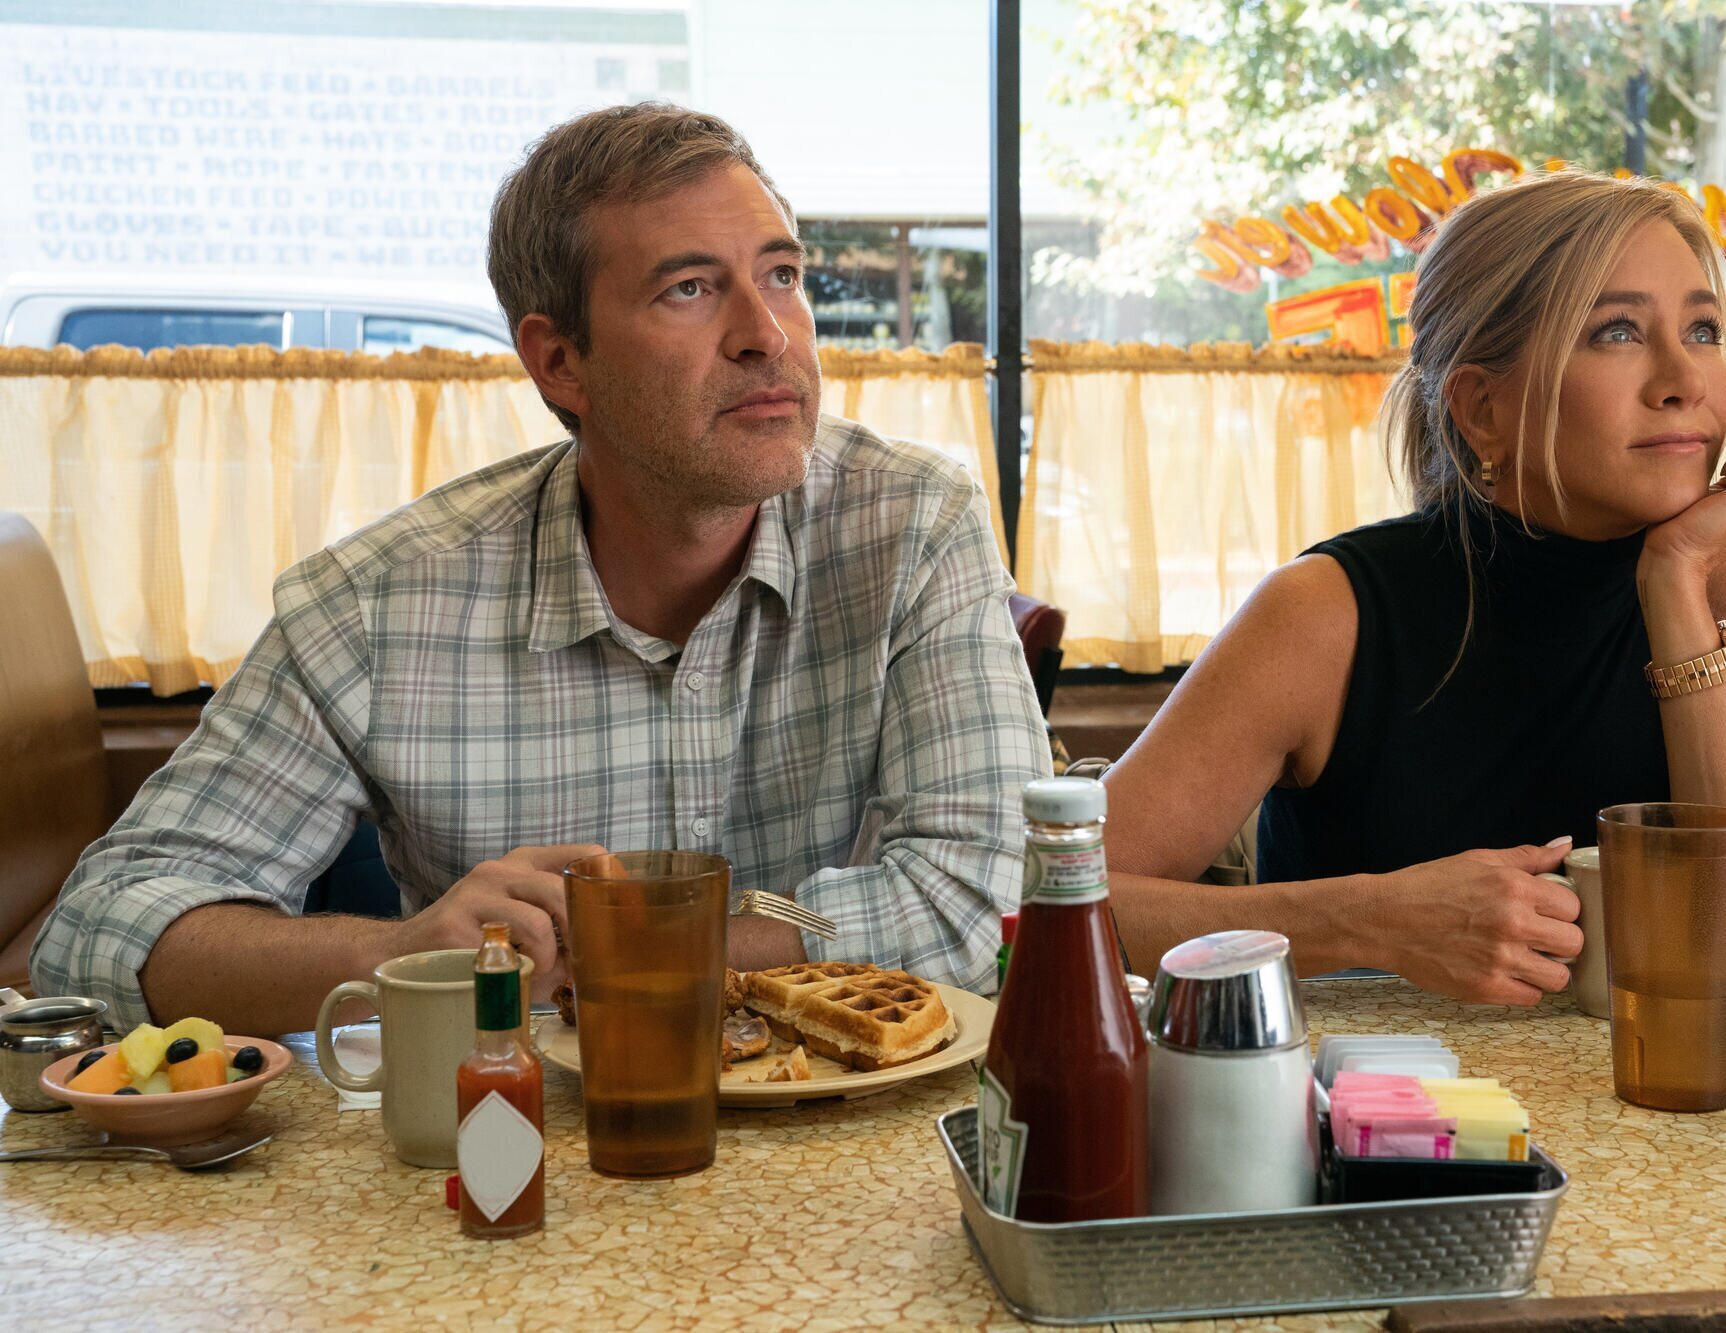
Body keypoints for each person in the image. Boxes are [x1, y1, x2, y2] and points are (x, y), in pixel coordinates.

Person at [32, 104, 1049, 1036]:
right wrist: (402, 954)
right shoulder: (377, 604)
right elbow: (97, 932)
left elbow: (992, 897)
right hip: (526, 1143)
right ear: (559, 361)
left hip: (854, 1134)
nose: (767, 335)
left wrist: (622, 948)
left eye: (781, 275)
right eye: (690, 289)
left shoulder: (912, 522)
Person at [1103, 171, 1726, 1004]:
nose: (1685, 379)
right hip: (1369, 1085)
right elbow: (1045, 906)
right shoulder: (1325, 613)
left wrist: (1676, 580)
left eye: (1703, 329)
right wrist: (1367, 922)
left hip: (1656, 1086)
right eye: (1616, 332)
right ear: (1483, 408)